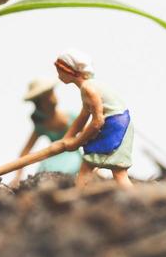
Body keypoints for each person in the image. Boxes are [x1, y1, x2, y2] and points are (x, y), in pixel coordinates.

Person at [27, 50, 135, 189]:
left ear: (69, 71)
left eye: (59, 71)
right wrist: (67, 138)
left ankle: (78, 194)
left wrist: (77, 142)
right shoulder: (87, 87)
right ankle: (78, 195)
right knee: (98, 168)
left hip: (114, 126)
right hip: (119, 123)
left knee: (113, 171)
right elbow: (84, 115)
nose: (58, 75)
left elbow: (97, 122)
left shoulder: (88, 89)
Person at [10, 77, 83, 184]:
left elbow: (90, 137)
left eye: (51, 94)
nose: (51, 99)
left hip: (73, 157)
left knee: (66, 174)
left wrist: (94, 165)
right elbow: (25, 152)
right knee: (44, 176)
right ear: (40, 105)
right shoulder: (42, 126)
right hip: (52, 159)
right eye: (46, 97)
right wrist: (18, 176)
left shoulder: (72, 117)